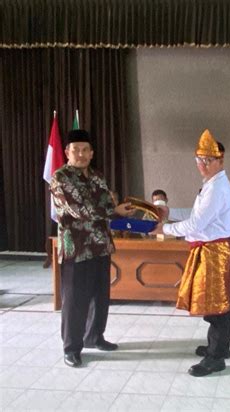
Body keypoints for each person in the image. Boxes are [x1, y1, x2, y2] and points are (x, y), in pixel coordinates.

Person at [150, 129, 230, 377]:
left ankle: (216, 357)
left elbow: (196, 225)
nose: (203, 165)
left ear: (221, 160)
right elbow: (196, 215)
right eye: (200, 160)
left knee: (216, 303)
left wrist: (164, 229)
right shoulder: (211, 184)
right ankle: (219, 347)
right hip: (208, 249)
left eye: (209, 160)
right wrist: (170, 212)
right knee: (213, 301)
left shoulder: (217, 187)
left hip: (213, 252)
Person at [50, 129, 134, 368]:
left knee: (100, 295)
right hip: (75, 248)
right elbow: (80, 209)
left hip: (100, 245)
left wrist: (119, 210)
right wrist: (113, 211)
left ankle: (94, 336)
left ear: (92, 152)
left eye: (85, 149)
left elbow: (108, 202)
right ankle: (71, 348)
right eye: (76, 149)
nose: (81, 154)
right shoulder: (61, 177)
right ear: (67, 152)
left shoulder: (97, 176)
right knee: (75, 299)